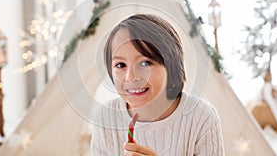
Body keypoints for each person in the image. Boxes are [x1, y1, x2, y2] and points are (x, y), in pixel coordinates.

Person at [91, 13, 225, 155]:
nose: (130, 77)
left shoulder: (200, 117)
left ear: (170, 64)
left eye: (145, 63)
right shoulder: (106, 116)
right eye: (120, 65)